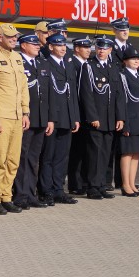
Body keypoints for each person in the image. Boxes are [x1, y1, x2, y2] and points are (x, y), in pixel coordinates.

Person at [0, 23, 29, 215]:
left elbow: (24, 87)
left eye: (15, 36)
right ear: (0, 37)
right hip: (2, 116)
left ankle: (6, 196)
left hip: (17, 116)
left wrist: (25, 112)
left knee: (13, 160)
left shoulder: (17, 58)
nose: (14, 39)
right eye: (10, 36)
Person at [78, 36, 125, 200]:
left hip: (110, 119)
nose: (101, 50)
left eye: (105, 48)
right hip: (96, 120)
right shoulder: (89, 67)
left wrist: (120, 117)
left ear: (110, 50)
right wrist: (92, 116)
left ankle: (101, 185)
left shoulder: (113, 68)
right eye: (99, 48)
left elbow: (118, 94)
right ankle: (92, 187)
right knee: (94, 154)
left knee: (105, 154)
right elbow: (86, 94)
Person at [38, 34, 80, 205]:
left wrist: (75, 117)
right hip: (53, 118)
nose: (63, 48)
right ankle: (46, 190)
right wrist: (49, 118)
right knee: (48, 156)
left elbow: (73, 94)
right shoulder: (45, 65)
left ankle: (58, 189)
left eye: (64, 45)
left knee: (62, 156)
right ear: (50, 47)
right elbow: (45, 95)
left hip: (67, 116)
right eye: (58, 45)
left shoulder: (68, 66)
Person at [13, 34, 52, 210]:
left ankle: (31, 193)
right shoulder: (18, 62)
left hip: (41, 118)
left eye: (38, 43)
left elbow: (49, 94)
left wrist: (50, 119)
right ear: (23, 46)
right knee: (21, 157)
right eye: (33, 43)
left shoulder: (42, 63)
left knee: (34, 158)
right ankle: (20, 194)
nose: (38, 46)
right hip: (25, 118)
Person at [118, 47, 139, 197]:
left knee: (136, 153)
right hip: (131, 119)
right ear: (125, 61)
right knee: (127, 152)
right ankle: (125, 184)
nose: (136, 61)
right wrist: (125, 122)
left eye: (138, 59)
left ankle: (132, 183)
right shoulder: (123, 76)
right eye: (133, 58)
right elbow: (122, 101)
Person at [108, 17, 133, 190]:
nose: (125, 32)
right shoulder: (110, 47)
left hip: (126, 95)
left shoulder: (130, 48)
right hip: (113, 93)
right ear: (115, 31)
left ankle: (121, 180)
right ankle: (106, 180)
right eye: (121, 29)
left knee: (122, 145)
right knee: (110, 146)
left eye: (127, 29)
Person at [67, 37, 92, 195]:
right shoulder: (73, 64)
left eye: (89, 47)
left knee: (85, 150)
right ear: (76, 49)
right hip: (77, 112)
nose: (89, 50)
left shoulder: (87, 65)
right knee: (75, 151)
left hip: (86, 113)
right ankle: (75, 184)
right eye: (85, 47)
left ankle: (83, 181)